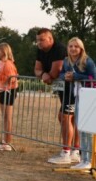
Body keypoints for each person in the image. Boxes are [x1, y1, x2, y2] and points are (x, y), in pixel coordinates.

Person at [53, 37, 96, 164]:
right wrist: (65, 76)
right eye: (70, 46)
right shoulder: (66, 61)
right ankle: (78, 155)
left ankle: (85, 157)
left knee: (85, 126)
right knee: (78, 122)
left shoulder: (87, 61)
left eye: (76, 46)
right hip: (75, 94)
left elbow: (93, 77)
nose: (73, 48)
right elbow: (62, 73)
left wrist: (76, 76)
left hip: (88, 95)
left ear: (81, 48)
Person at [34, 28, 68, 163]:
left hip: (71, 88)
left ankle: (70, 151)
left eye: (42, 40)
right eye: (37, 40)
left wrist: (46, 75)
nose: (39, 43)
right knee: (65, 118)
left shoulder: (59, 48)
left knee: (67, 118)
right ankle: (70, 150)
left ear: (50, 39)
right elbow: (36, 69)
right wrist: (43, 74)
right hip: (62, 88)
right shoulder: (40, 50)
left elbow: (55, 73)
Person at [0, 43, 19, 151]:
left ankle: (7, 142)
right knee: (5, 117)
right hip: (4, 90)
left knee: (7, 117)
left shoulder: (8, 64)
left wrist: (0, 78)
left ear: (3, 52)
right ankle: (5, 140)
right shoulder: (2, 63)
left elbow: (12, 78)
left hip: (8, 91)